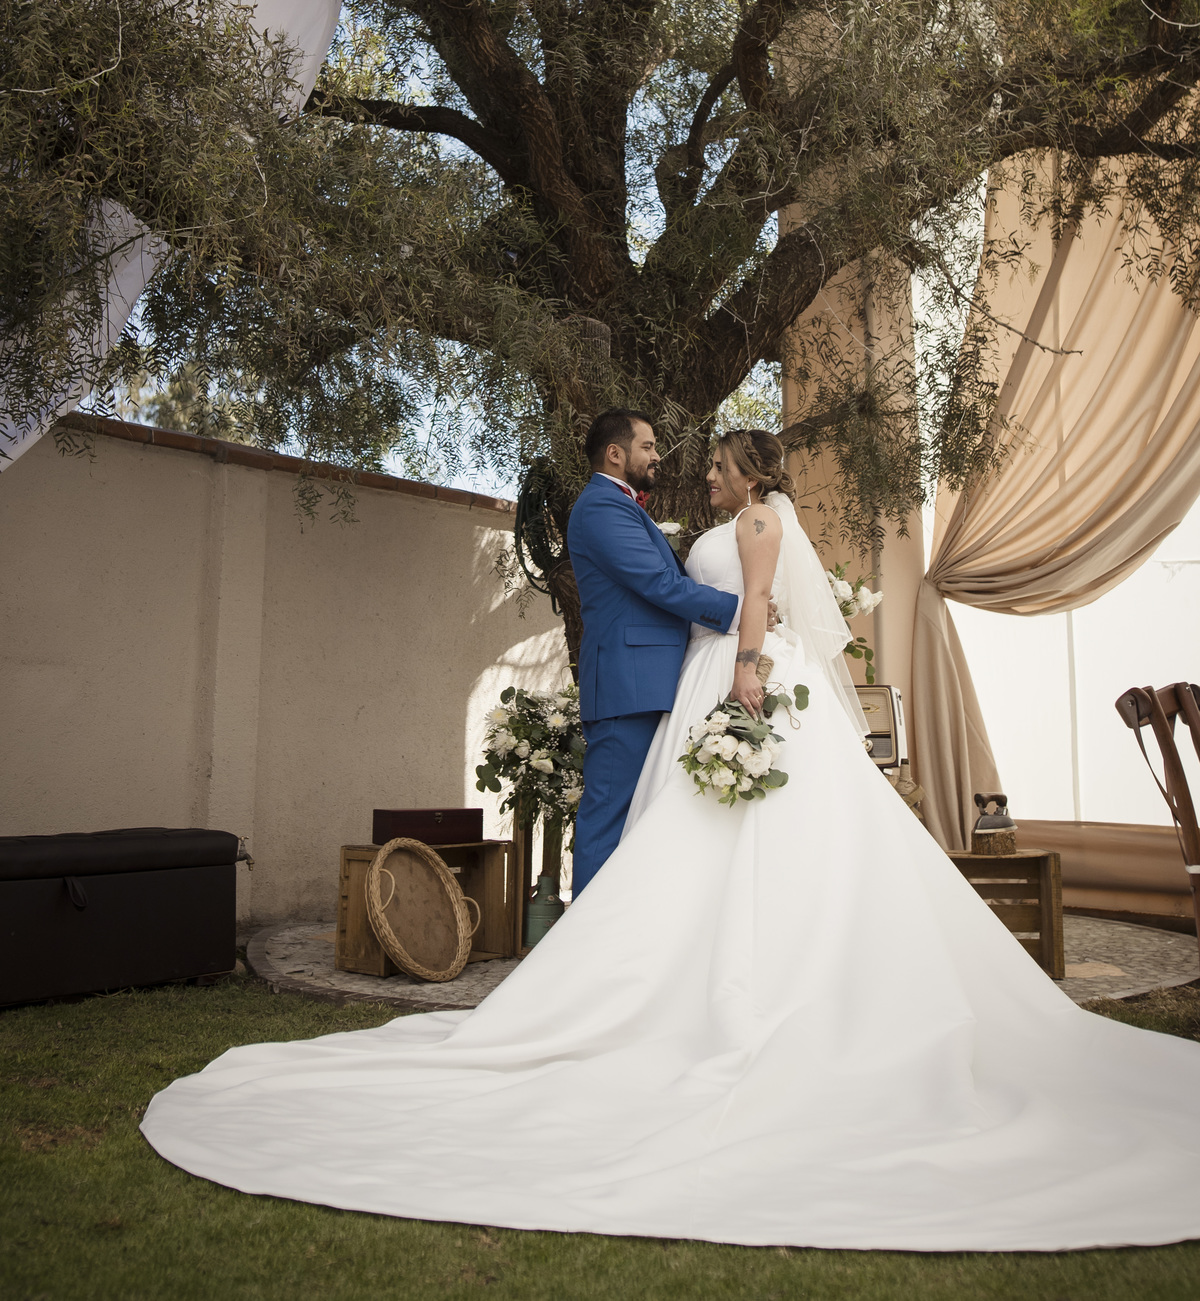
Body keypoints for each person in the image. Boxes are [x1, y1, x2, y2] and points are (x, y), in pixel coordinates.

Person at [141, 430, 1200, 1252]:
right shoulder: (725, 517)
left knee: (747, 835)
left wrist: (744, 669)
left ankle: (741, 985)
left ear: (748, 475)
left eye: (715, 470)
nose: (702, 479)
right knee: (701, 841)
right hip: (714, 673)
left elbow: (748, 603)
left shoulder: (758, 522)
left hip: (735, 677)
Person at [566, 408, 739, 893]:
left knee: (636, 816)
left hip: (647, 681)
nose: (657, 455)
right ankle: (583, 953)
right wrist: (740, 609)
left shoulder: (622, 504)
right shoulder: (602, 505)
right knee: (609, 814)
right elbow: (658, 583)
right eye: (648, 446)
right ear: (615, 454)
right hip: (628, 684)